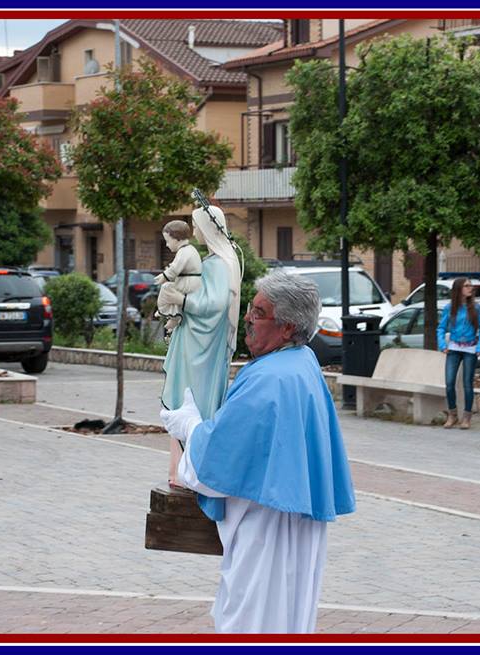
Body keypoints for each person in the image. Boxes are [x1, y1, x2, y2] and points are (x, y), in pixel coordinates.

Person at [160, 271, 356, 633]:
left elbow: (218, 462)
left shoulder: (270, 380)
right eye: (251, 308)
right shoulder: (301, 362)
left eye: (259, 312)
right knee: (289, 620)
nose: (248, 317)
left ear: (286, 327)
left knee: (252, 623)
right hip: (292, 519)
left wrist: (188, 426)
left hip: (265, 527)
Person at [160, 204, 242, 489]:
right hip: (197, 344)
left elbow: (215, 305)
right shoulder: (216, 261)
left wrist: (181, 301)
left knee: (192, 404)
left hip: (201, 351)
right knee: (187, 404)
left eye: (196, 225)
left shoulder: (219, 264)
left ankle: (188, 470)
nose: (194, 231)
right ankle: (180, 471)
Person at [438, 278, 480, 429]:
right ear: (459, 289)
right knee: (449, 383)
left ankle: (466, 417)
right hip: (453, 348)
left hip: (470, 349)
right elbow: (440, 328)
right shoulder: (449, 308)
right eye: (466, 286)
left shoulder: (476, 308)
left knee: (467, 384)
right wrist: (442, 345)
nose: (470, 288)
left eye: (470, 286)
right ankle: (452, 415)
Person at [154, 220, 202, 335]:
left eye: (167, 241)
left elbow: (176, 268)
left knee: (166, 288)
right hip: (189, 281)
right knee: (170, 291)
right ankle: (172, 316)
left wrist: (164, 276)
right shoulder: (188, 250)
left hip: (189, 283)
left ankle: (169, 315)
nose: (166, 244)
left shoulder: (184, 252)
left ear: (176, 239)